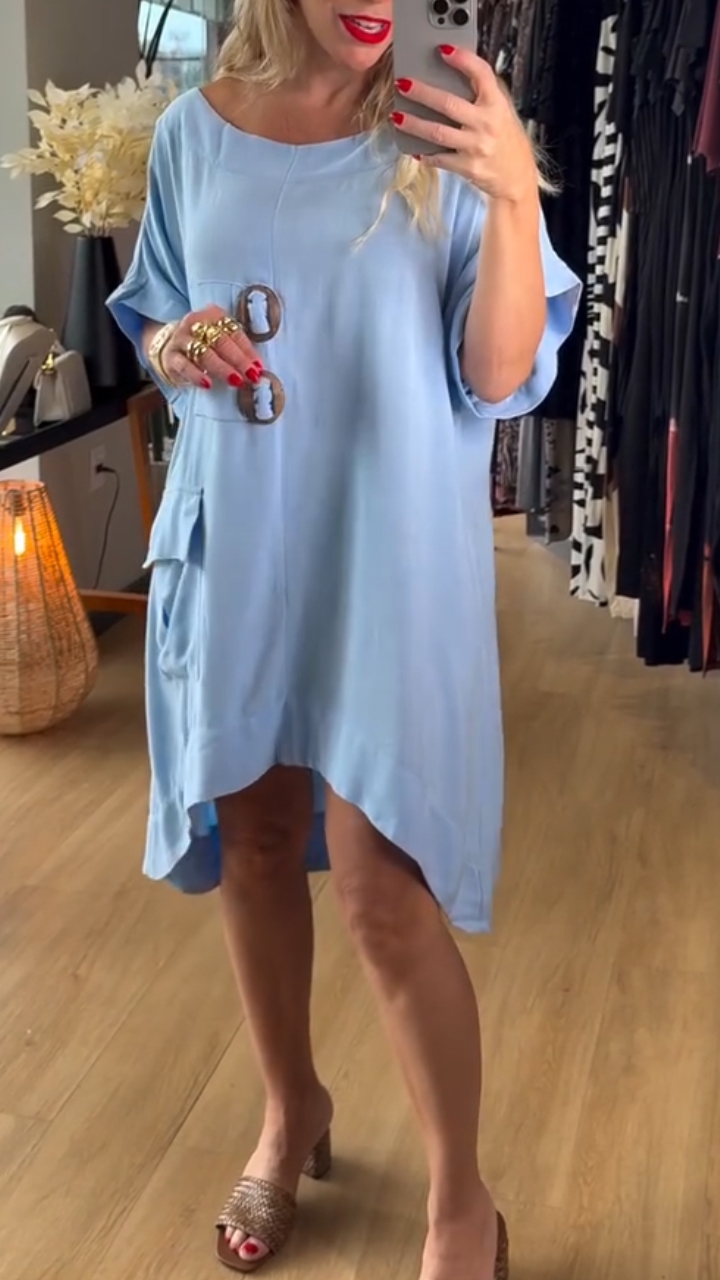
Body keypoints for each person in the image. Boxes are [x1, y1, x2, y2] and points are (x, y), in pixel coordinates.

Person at [108, 2, 580, 1276]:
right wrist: (175, 340)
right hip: (240, 540)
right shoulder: (194, 133)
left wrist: (514, 194)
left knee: (383, 889)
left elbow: (499, 375)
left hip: (390, 558)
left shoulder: (448, 128)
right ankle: (290, 1107)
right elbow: (155, 312)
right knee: (258, 841)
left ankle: (460, 1197)